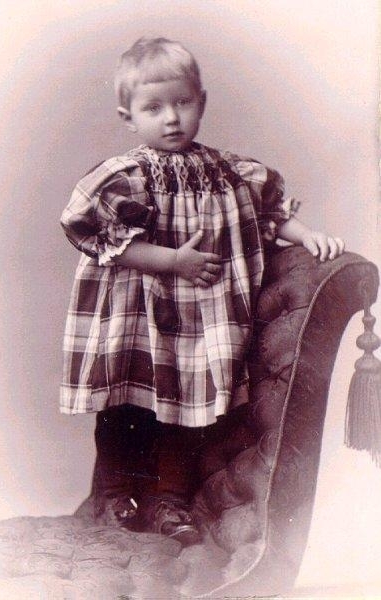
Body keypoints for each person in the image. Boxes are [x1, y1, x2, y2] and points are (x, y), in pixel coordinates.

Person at [60, 37, 345, 545]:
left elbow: (271, 214)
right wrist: (174, 261)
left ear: (201, 102)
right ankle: (115, 494)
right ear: (129, 117)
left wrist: (308, 235)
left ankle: (169, 500)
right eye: (153, 108)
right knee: (124, 412)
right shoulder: (127, 177)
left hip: (199, 321)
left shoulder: (231, 173)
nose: (171, 118)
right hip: (139, 319)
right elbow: (102, 239)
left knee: (184, 418)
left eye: (182, 102)